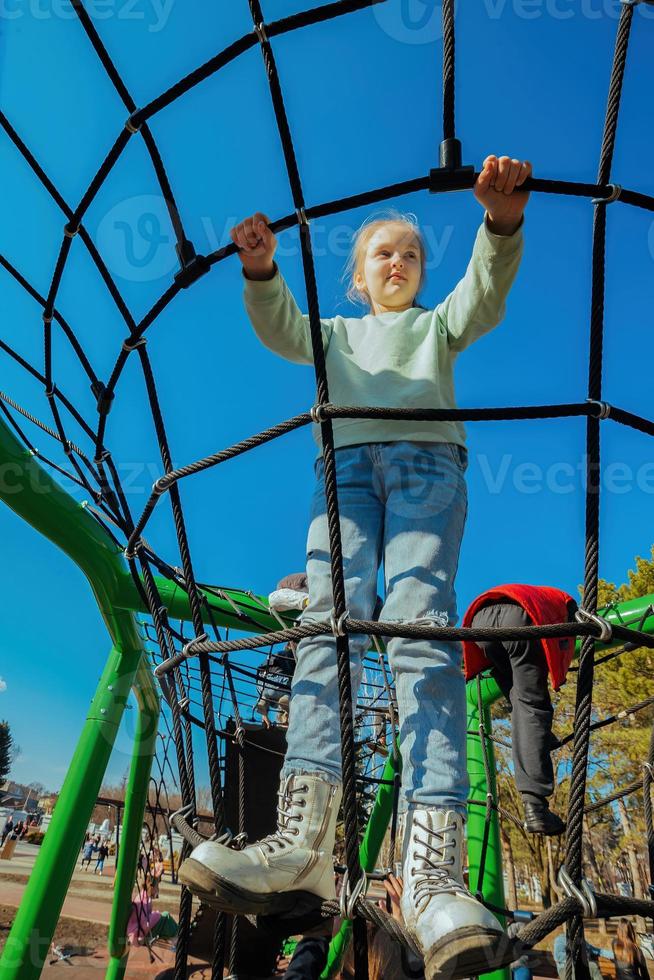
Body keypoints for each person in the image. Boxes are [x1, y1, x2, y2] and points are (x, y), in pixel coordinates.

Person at [179, 154, 531, 978]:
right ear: (359, 279)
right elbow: (283, 330)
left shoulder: (436, 327)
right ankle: (301, 842)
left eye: (412, 253)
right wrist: (262, 269)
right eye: (384, 254)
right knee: (325, 630)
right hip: (343, 470)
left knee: (418, 633)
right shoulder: (336, 335)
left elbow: (483, 294)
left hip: (427, 468)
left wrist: (500, 223)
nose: (400, 262)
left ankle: (432, 875)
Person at [462, 584, 578, 835]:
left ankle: (540, 737)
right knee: (533, 705)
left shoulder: (547, 595)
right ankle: (535, 805)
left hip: (479, 621)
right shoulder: (568, 606)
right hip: (520, 617)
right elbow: (564, 649)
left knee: (517, 693)